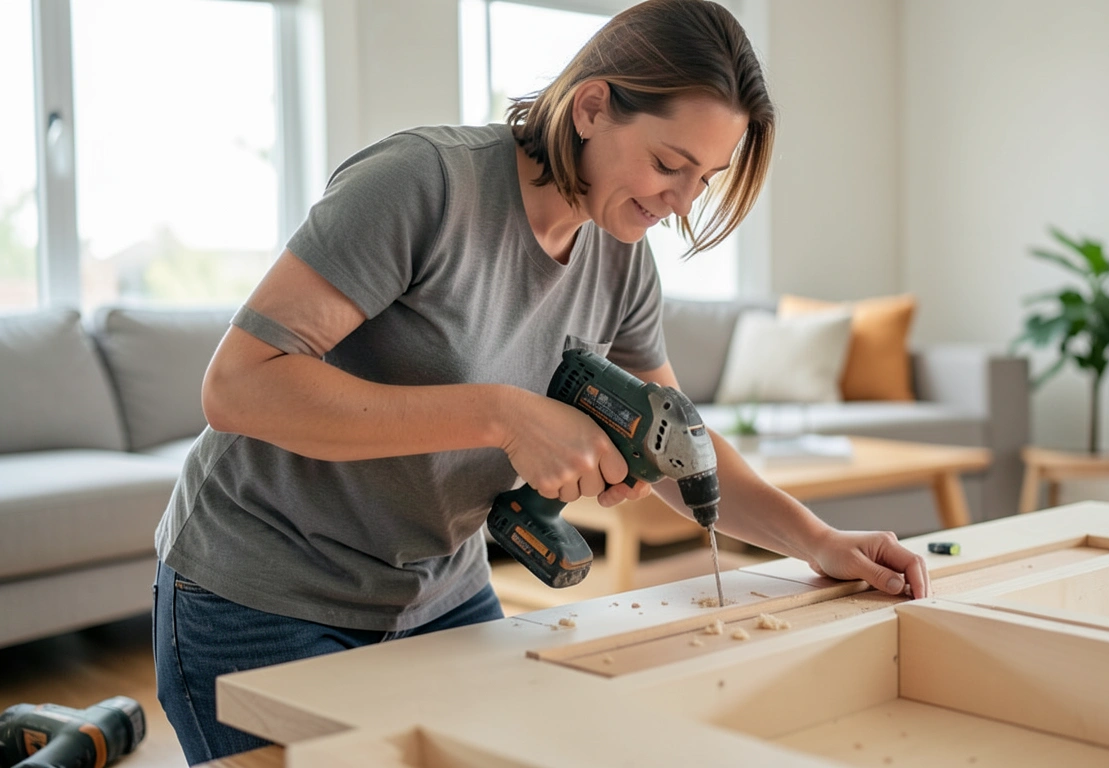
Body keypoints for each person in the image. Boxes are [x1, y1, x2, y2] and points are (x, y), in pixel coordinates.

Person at [151, 0, 929, 763]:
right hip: (261, 593)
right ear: (592, 106)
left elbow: (675, 441)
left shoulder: (622, 254)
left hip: (438, 591)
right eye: (668, 165)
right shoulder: (423, 183)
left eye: (705, 179)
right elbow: (238, 389)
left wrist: (819, 543)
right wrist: (504, 416)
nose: (683, 203)